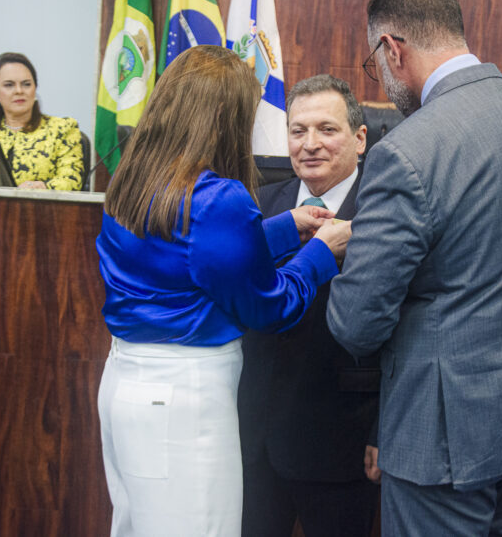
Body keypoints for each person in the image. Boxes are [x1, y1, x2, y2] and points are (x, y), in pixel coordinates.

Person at [326, 0, 502, 536]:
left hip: (448, 430)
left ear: (392, 48)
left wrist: (337, 253)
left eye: (378, 62)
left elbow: (357, 323)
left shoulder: (408, 150)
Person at [95, 45, 351, 537]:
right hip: (183, 396)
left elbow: (186, 259)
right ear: (225, 118)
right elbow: (267, 307)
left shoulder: (132, 180)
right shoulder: (220, 197)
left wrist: (281, 229)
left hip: (125, 384)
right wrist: (320, 252)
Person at [238, 75, 380, 537]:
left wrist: (384, 431)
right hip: (253, 443)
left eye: (327, 129)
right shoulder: (259, 206)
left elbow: (408, 328)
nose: (310, 144)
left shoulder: (387, 212)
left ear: (360, 139)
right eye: (298, 131)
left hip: (344, 444)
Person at [0, 52, 84, 190]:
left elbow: (72, 180)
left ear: (35, 88)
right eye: (9, 85)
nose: (19, 91)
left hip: (43, 208)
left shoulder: (62, 129)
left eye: (26, 84)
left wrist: (43, 187)